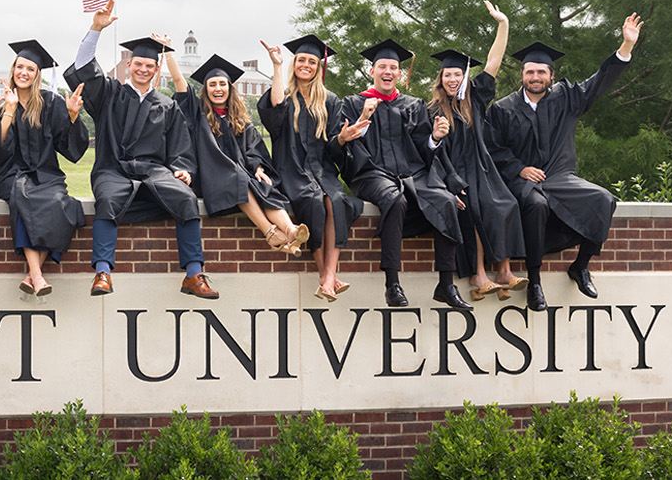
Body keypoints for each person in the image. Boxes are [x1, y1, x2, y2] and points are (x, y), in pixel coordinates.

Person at [485, 13, 643, 310]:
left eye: (541, 72)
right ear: (522, 74)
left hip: (560, 177)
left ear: (551, 75)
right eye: (530, 72)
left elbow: (600, 81)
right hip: (523, 181)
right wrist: (519, 168)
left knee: (603, 199)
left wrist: (625, 47)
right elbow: (493, 147)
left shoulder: (567, 98)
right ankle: (534, 281)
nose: (535, 77)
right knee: (536, 205)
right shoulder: (502, 109)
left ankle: (580, 266)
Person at [63, 0, 214, 299]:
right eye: (138, 64)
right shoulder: (109, 94)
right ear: (129, 65)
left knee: (185, 198)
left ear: (156, 70)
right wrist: (96, 28)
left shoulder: (167, 105)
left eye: (149, 66)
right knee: (107, 197)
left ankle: (194, 274)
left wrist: (183, 170)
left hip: (155, 172)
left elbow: (180, 147)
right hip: (113, 168)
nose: (143, 69)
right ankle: (103, 272)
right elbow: (83, 67)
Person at [332, 39, 467, 310]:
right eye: (382, 66)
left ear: (399, 74)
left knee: (446, 201)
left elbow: (422, 148)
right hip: (372, 173)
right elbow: (341, 151)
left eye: (394, 67)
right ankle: (392, 284)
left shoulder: (413, 105)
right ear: (372, 71)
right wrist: (360, 124)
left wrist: (434, 138)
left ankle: (446, 284)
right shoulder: (353, 103)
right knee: (396, 200)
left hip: (411, 172)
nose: (388, 71)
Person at [428, 1, 527, 303]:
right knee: (475, 212)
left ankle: (505, 272)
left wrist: (503, 24)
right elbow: (431, 151)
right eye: (447, 75)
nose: (453, 79)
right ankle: (479, 276)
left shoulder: (475, 98)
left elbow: (493, 61)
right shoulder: (432, 109)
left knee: (504, 204)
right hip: (455, 172)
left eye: (457, 74)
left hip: (483, 169)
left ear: (464, 77)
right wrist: (448, 181)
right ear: (441, 80)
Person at [258, 35, 364, 301]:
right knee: (312, 200)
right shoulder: (285, 95)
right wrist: (277, 66)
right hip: (290, 169)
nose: (306, 65)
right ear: (295, 64)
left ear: (319, 67)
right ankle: (327, 277)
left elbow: (333, 149)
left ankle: (328, 277)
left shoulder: (329, 101)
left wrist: (342, 138)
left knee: (336, 199)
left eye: (312, 61)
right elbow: (273, 111)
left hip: (322, 170)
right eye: (301, 60)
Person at [174, 51, 309, 256]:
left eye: (222, 84)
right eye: (212, 84)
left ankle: (290, 231)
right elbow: (179, 83)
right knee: (238, 177)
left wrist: (258, 167)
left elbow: (253, 148)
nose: (218, 88)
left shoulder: (240, 120)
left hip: (238, 177)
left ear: (229, 88)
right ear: (205, 89)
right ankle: (269, 231)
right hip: (210, 178)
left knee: (262, 183)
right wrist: (168, 54)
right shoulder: (197, 113)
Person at [0, 40, 89, 297]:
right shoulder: (5, 100)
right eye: (20, 67)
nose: (24, 73)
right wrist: (9, 110)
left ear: (37, 74)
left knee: (60, 202)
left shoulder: (50, 103)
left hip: (46, 174)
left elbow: (68, 147)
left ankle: (32, 275)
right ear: (13, 69)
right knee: (22, 196)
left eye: (30, 69)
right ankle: (38, 275)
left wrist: (73, 116)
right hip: (12, 175)